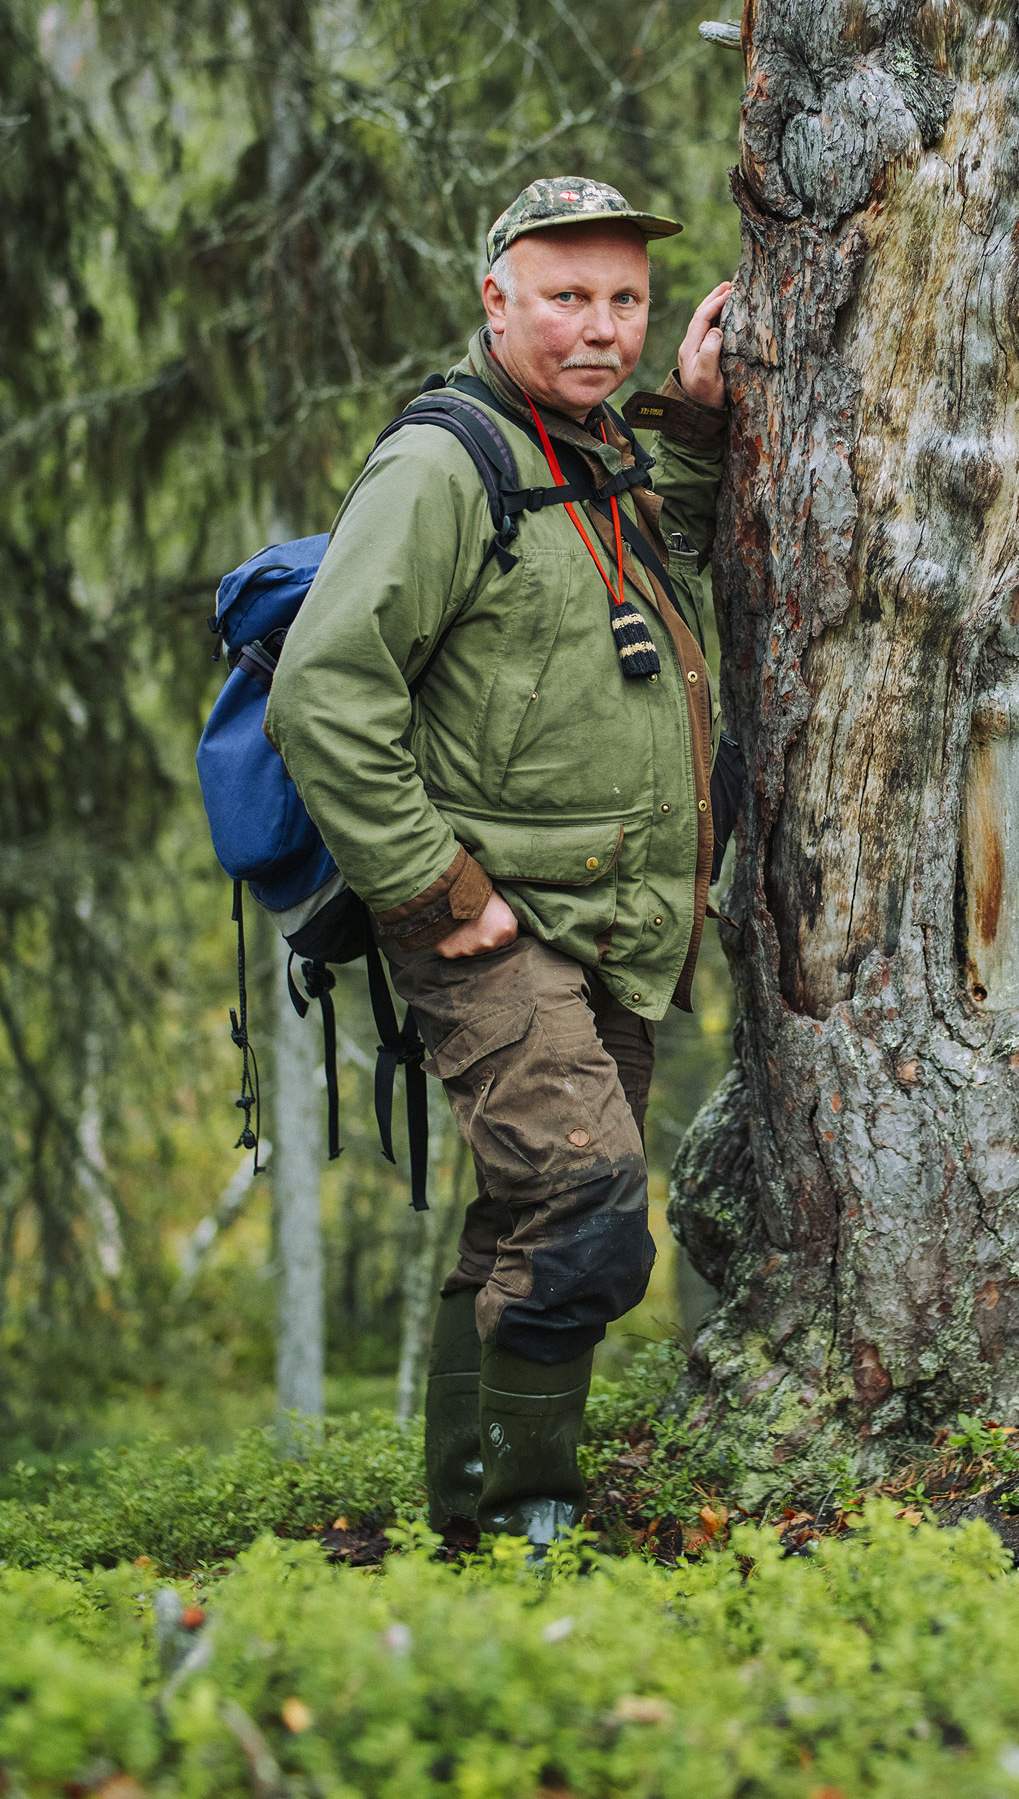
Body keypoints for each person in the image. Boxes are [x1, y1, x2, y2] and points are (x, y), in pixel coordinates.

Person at [265, 176, 733, 1554]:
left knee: (531, 1217)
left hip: (611, 924)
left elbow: (666, 585)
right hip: (492, 925)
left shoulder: (588, 450)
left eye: (625, 301)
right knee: (590, 1211)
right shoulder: (443, 463)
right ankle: (534, 1528)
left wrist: (692, 429)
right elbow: (325, 692)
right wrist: (437, 890)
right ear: (498, 298)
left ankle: (461, 1528)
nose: (602, 329)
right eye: (568, 297)